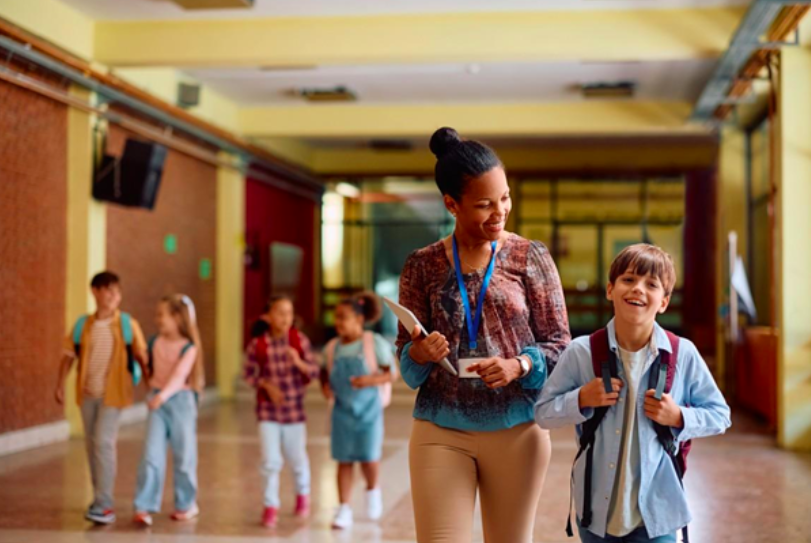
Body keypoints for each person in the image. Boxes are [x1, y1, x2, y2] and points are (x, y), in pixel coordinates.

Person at [395, 127, 571, 543]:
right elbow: (406, 362)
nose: (500, 212)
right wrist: (420, 353)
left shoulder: (531, 257)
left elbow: (561, 345)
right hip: (440, 430)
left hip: (518, 429)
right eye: (485, 204)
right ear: (451, 205)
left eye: (505, 198)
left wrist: (520, 364)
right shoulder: (421, 266)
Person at [535, 243, 731, 543]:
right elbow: (543, 413)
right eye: (628, 279)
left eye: (651, 284)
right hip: (595, 516)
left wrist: (679, 416)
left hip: (659, 516)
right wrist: (581, 399)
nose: (638, 289)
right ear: (610, 289)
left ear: (664, 302)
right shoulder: (581, 352)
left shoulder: (683, 354)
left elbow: (720, 415)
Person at [54, 271, 148, 524]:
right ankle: (99, 498)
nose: (113, 295)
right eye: (108, 290)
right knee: (92, 446)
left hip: (113, 395)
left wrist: (152, 388)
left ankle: (105, 504)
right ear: (95, 291)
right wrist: (60, 385)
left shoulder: (128, 324)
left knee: (104, 443)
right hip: (87, 395)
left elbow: (142, 357)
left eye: (117, 291)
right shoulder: (83, 325)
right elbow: (68, 356)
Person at [243, 295, 319, 529]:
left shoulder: (299, 341)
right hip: (268, 413)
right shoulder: (258, 344)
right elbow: (248, 374)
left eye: (289, 313)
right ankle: (270, 506)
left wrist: (298, 362)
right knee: (270, 461)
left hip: (294, 413)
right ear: (267, 317)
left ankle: (302, 496)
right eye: (280, 312)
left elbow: (314, 371)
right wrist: (265, 385)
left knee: (297, 459)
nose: (285, 318)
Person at [322, 292, 395, 529]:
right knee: (343, 459)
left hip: (369, 412)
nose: (338, 322)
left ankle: (372, 490)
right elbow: (325, 373)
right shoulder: (332, 348)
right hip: (342, 412)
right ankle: (343, 508)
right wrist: (325, 388)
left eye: (344, 317)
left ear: (359, 319)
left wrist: (369, 381)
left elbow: (390, 373)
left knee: (369, 458)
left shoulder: (373, 343)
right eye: (337, 318)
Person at [133, 294, 205, 526]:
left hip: (180, 401)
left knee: (184, 456)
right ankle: (144, 506)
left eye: (161, 315)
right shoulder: (155, 342)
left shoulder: (189, 347)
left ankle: (187, 503)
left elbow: (179, 376)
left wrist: (162, 397)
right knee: (151, 455)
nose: (158, 319)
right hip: (158, 400)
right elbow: (151, 371)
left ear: (177, 317)